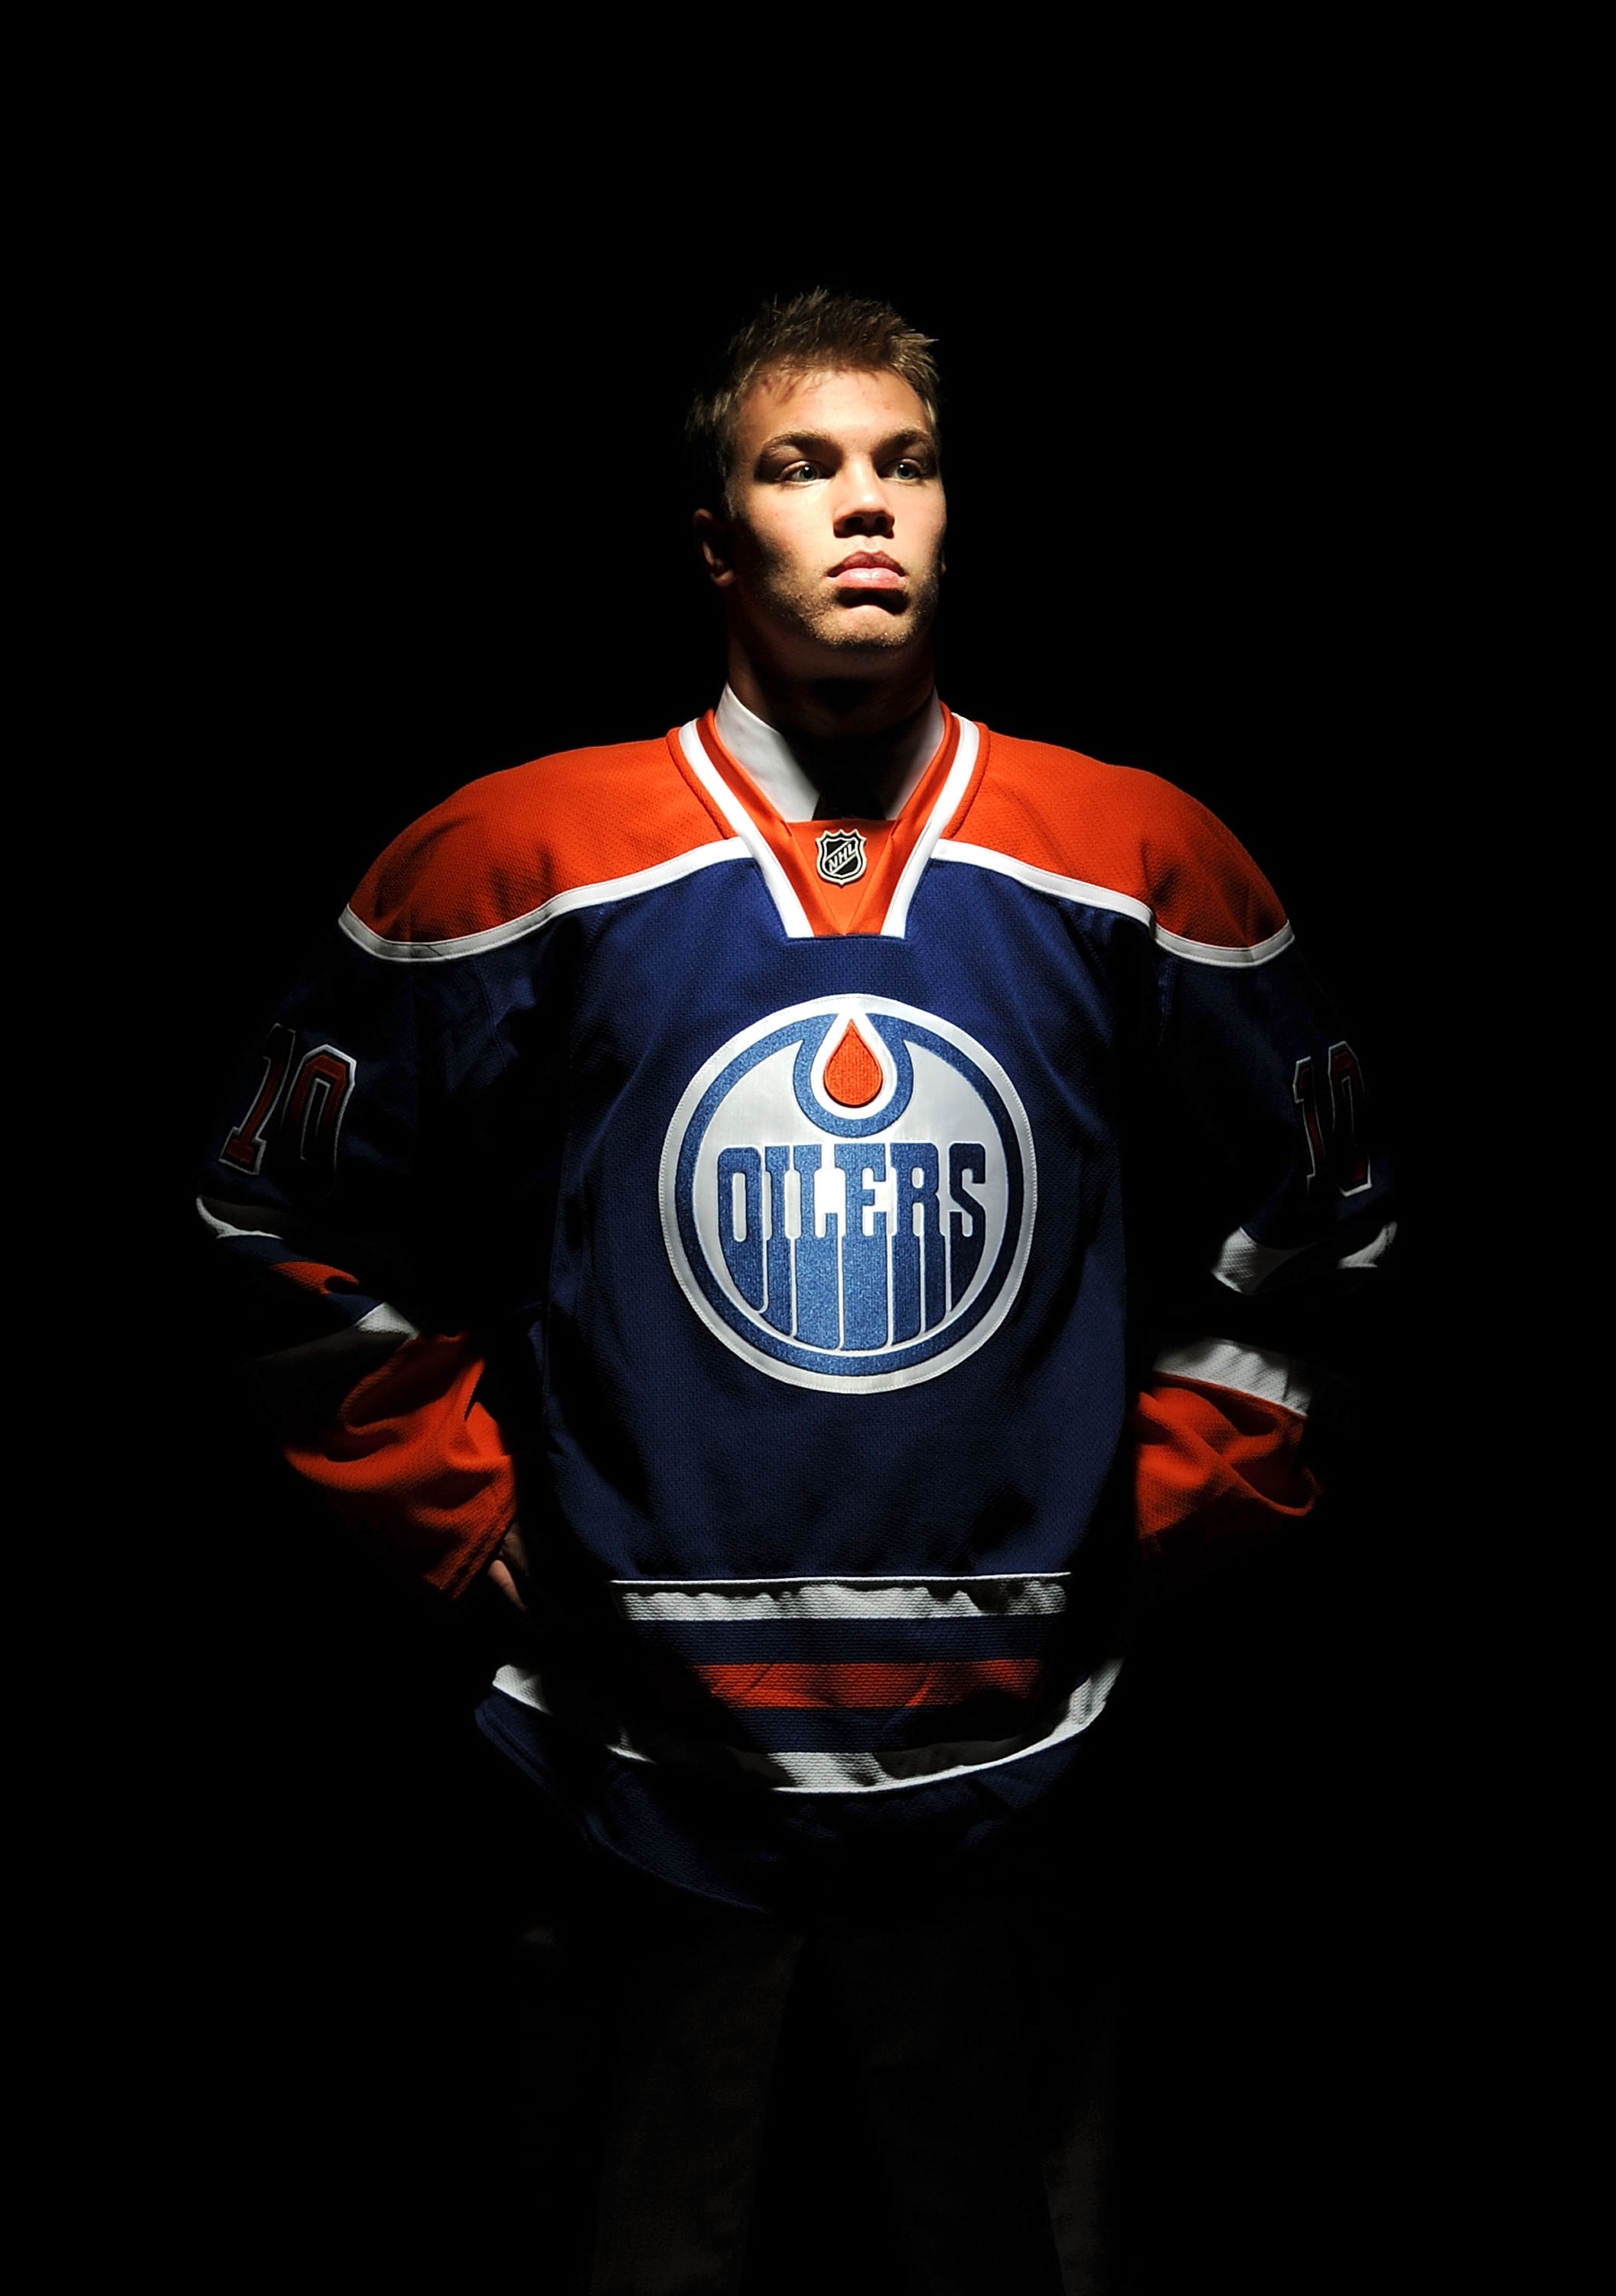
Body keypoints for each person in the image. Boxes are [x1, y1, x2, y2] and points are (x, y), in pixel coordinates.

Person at [200, 290, 1393, 2293]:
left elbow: (1337, 1220)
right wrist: (467, 1508)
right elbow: (269, 1221)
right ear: (712, 532)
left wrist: (1144, 1502)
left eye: (904, 464)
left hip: (1022, 1769)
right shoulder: (518, 853)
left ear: (955, 514)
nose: (864, 509)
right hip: (621, 1774)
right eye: (801, 464)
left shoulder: (1135, 852)